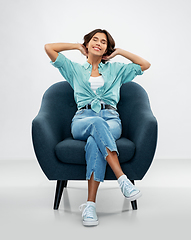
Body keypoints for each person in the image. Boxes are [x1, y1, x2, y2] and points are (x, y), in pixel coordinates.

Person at [44, 29, 151, 227]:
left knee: (95, 141)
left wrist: (119, 52)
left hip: (111, 119)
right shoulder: (74, 69)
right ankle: (122, 180)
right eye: (95, 40)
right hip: (82, 120)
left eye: (103, 42)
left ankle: (90, 206)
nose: (99, 43)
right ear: (88, 43)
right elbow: (49, 48)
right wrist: (77, 47)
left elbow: (145, 65)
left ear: (106, 49)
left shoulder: (117, 69)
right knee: (96, 124)